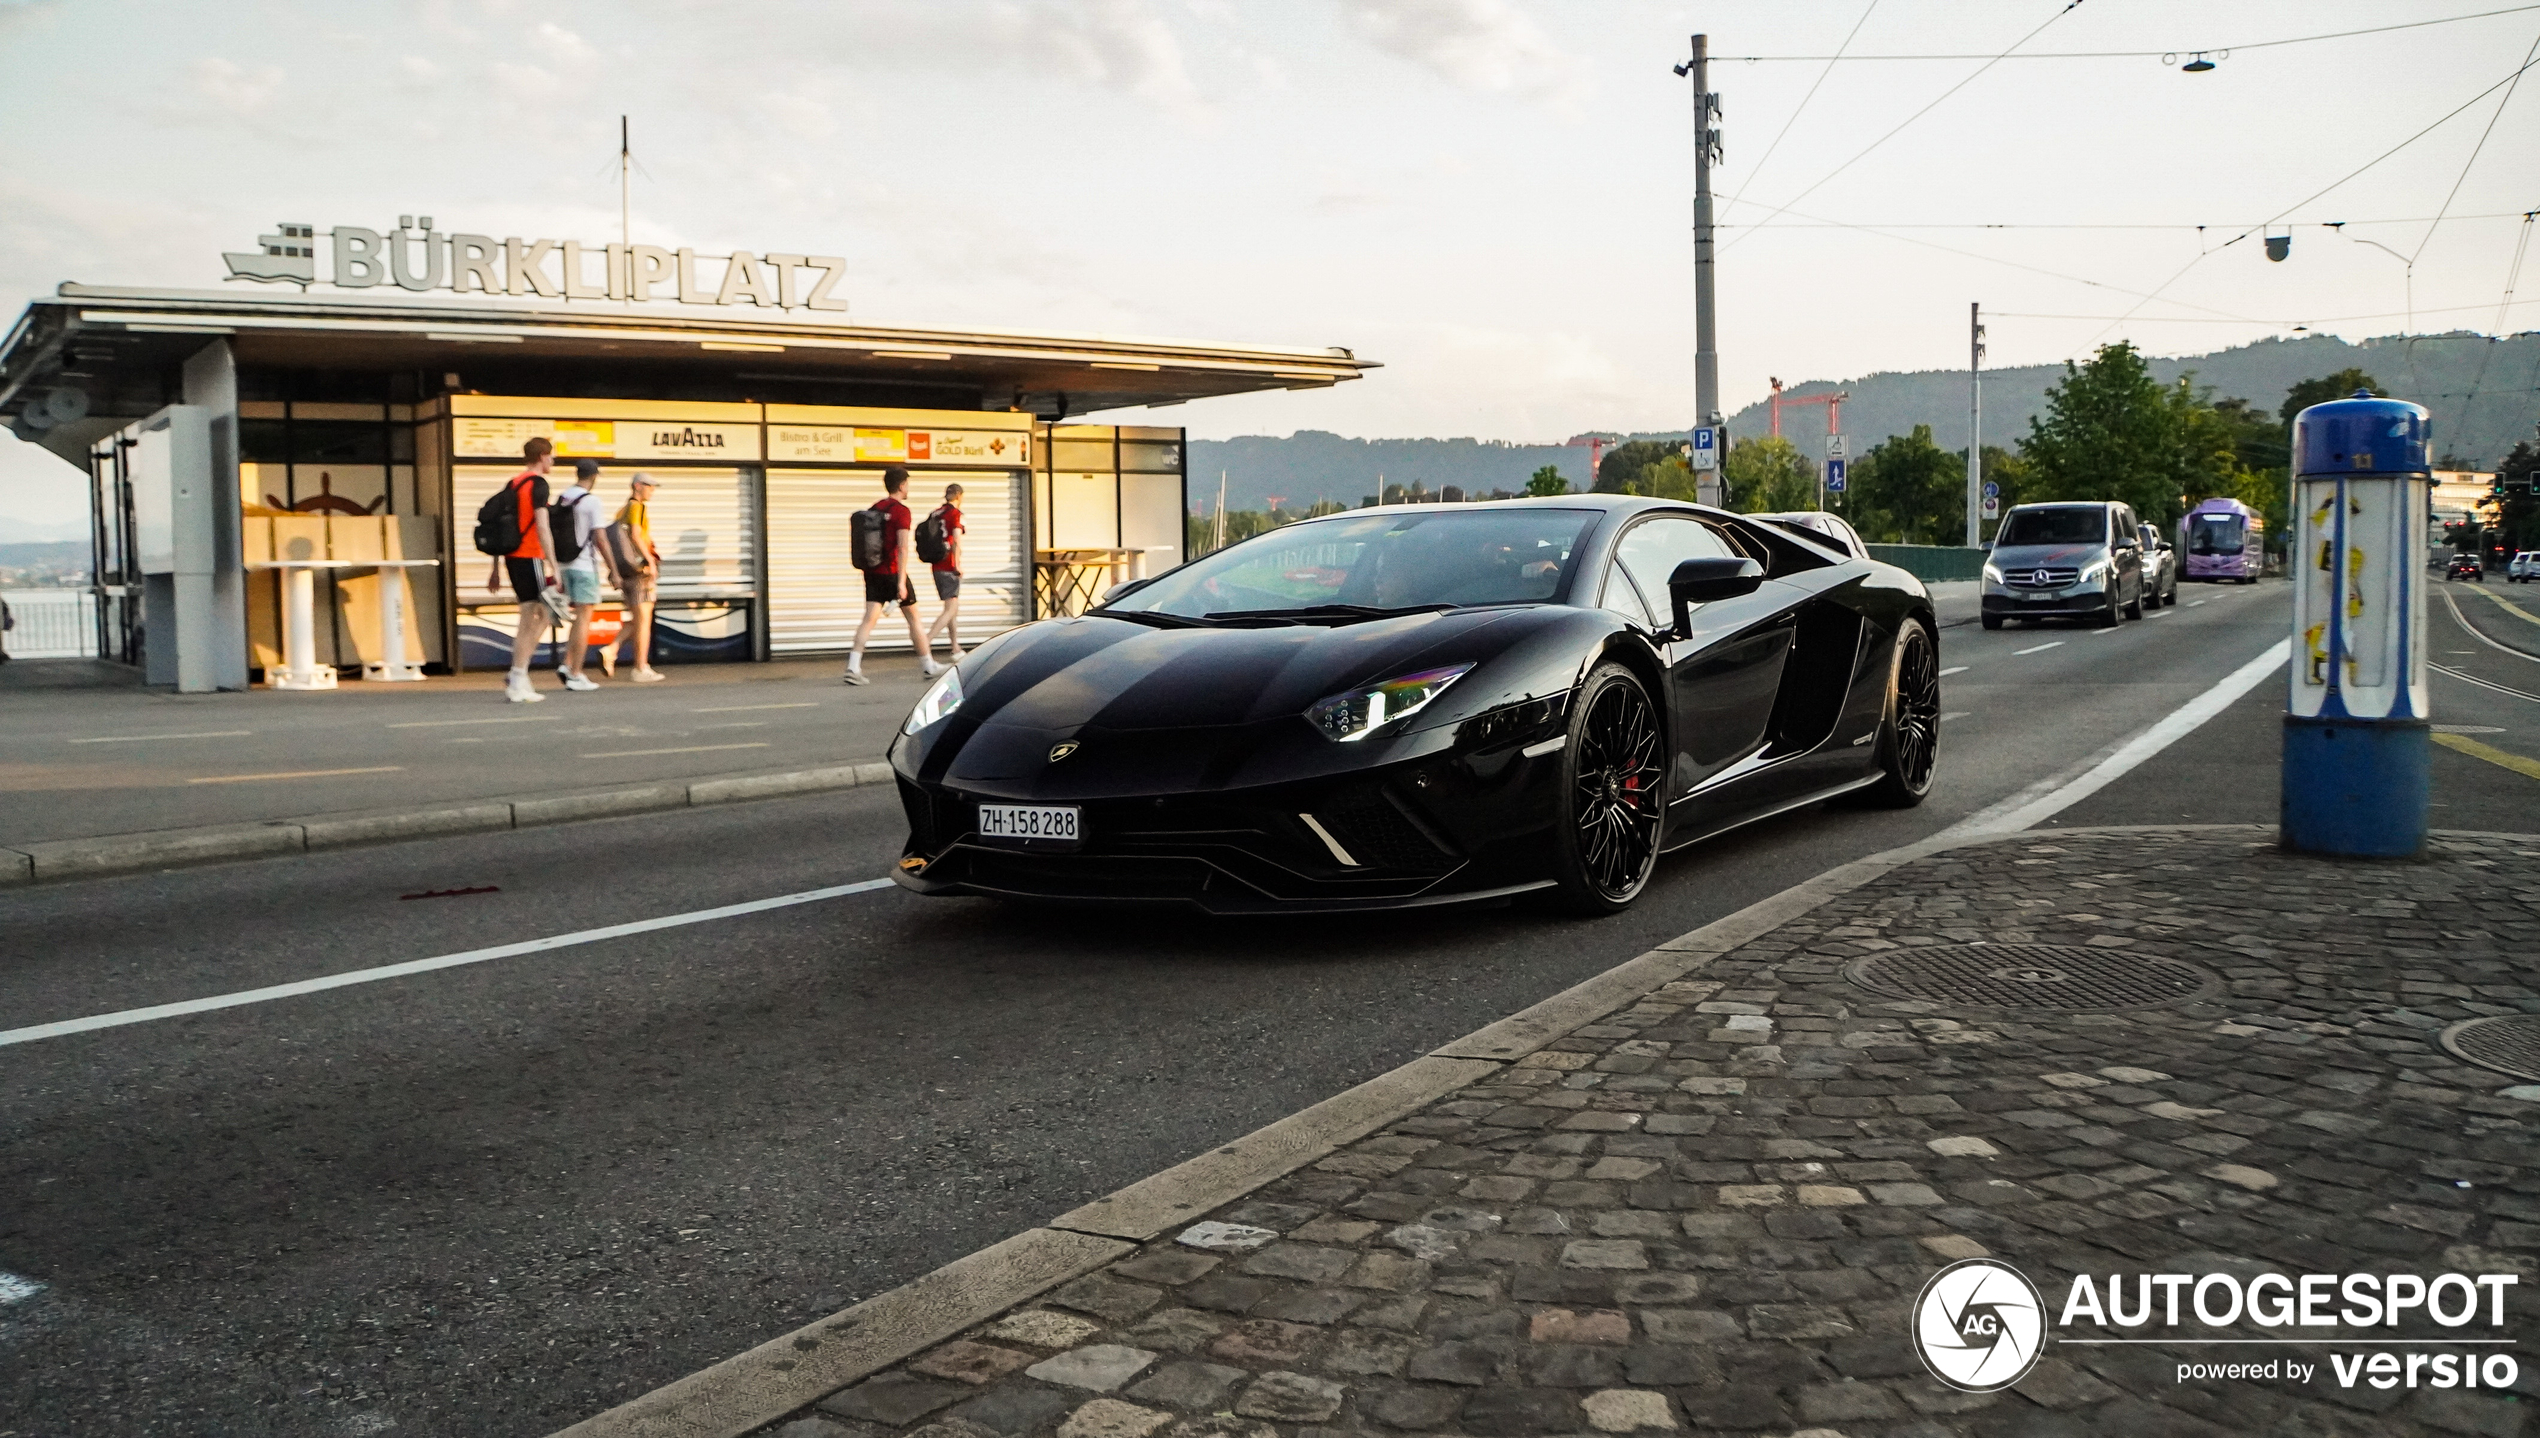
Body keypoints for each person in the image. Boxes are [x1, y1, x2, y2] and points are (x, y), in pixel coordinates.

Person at [844, 466, 940, 685]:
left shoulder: (876, 507)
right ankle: (928, 665)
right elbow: (903, 547)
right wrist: (901, 582)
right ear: (901, 485)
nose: (908, 487)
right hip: (893, 571)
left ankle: (853, 666)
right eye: (907, 483)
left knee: (868, 619)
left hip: (872, 572)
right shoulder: (901, 511)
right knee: (914, 618)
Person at [487, 436, 560, 703]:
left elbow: (500, 525)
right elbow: (542, 527)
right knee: (542, 613)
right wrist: (553, 564)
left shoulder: (513, 483)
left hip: (511, 556)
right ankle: (518, 673)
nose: (552, 461)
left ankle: (520, 673)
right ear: (542, 456)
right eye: (551, 456)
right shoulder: (539, 485)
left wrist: (494, 566)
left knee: (530, 614)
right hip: (530, 555)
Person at [552, 458, 616, 692]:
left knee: (578, 618)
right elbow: (600, 539)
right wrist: (613, 570)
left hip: (563, 565)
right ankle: (576, 673)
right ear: (594, 476)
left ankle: (568, 664)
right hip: (584, 567)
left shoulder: (563, 497)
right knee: (583, 620)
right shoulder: (592, 502)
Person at [613, 472, 665, 681]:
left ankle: (611, 649)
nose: (652, 490)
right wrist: (650, 561)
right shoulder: (637, 507)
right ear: (637, 486)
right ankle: (640, 667)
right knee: (644, 620)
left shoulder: (621, 511)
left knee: (638, 618)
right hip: (640, 570)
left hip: (626, 571)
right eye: (649, 486)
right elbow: (635, 535)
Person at [924, 481, 967, 663]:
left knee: (951, 608)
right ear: (959, 496)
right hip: (949, 566)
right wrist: (957, 564)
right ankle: (925, 642)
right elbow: (956, 540)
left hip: (936, 565)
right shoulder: (955, 514)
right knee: (951, 609)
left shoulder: (936, 513)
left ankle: (955, 647)